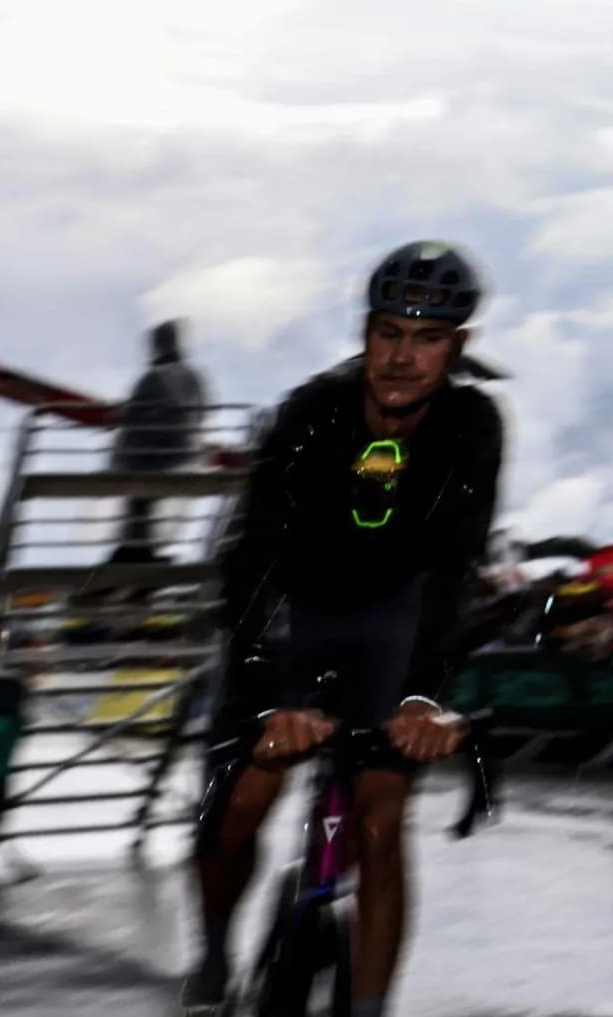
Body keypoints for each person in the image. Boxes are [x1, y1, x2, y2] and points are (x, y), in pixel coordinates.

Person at [186, 244, 502, 1017]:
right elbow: (254, 557)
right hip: (292, 609)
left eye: (426, 338)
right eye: (388, 331)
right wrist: (265, 695)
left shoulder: (473, 422)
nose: (402, 355)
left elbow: (455, 569)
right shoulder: (310, 410)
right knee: (240, 803)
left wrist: (425, 695)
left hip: (389, 621)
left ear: (457, 346)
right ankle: (215, 950)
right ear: (365, 331)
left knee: (380, 820)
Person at [113, 319, 212, 568]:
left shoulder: (155, 377)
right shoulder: (194, 377)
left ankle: (134, 554)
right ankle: (139, 552)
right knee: (144, 503)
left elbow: (135, 414)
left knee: (138, 499)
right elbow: (202, 411)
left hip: (153, 454)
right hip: (184, 454)